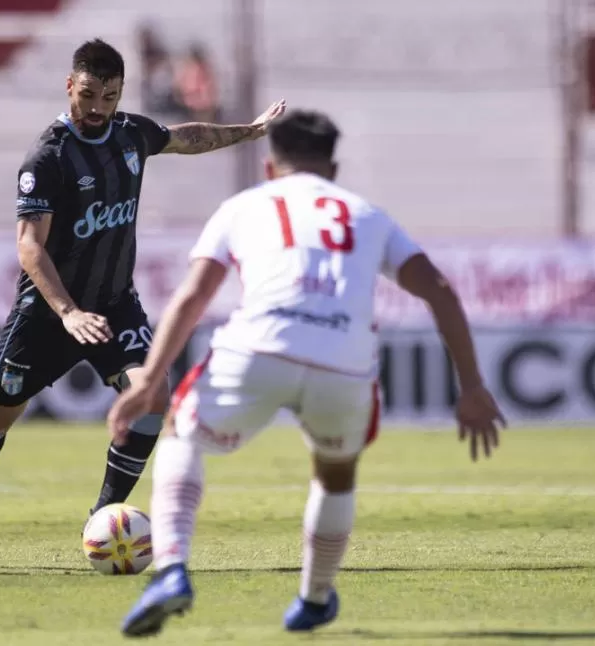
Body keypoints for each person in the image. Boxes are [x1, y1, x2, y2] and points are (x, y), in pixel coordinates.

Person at [106, 109, 507, 637]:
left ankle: (172, 569)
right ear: (333, 169)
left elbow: (194, 296)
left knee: (182, 430)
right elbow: (440, 290)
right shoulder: (367, 216)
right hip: (343, 363)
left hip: (258, 349)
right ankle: (315, 598)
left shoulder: (244, 206)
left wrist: (152, 379)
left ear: (271, 166)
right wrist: (473, 386)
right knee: (335, 473)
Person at [0, 38, 286, 560]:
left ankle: (102, 520)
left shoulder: (130, 134)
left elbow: (185, 137)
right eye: (88, 95)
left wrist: (251, 131)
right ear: (69, 87)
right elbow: (29, 247)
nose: (99, 107)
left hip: (115, 304)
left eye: (109, 95)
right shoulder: (48, 157)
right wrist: (68, 312)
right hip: (48, 311)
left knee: (151, 398)